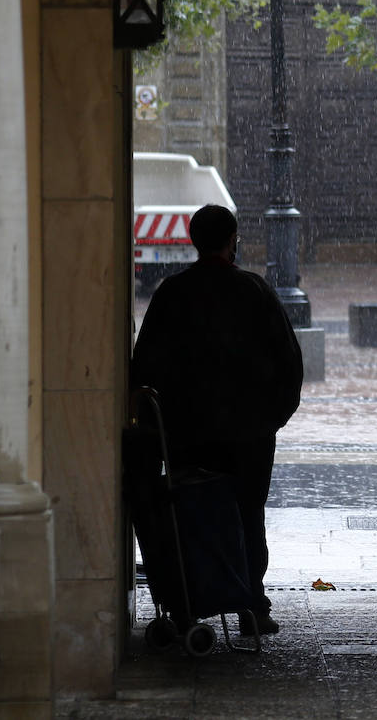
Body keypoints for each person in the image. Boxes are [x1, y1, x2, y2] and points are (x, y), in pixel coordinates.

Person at [130, 204, 304, 635]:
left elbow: (144, 366)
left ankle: (190, 600)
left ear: (192, 240)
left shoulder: (172, 293)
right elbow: (289, 364)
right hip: (248, 434)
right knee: (248, 516)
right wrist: (270, 420)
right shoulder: (256, 291)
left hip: (188, 434)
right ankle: (250, 604)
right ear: (233, 241)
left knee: (191, 513)